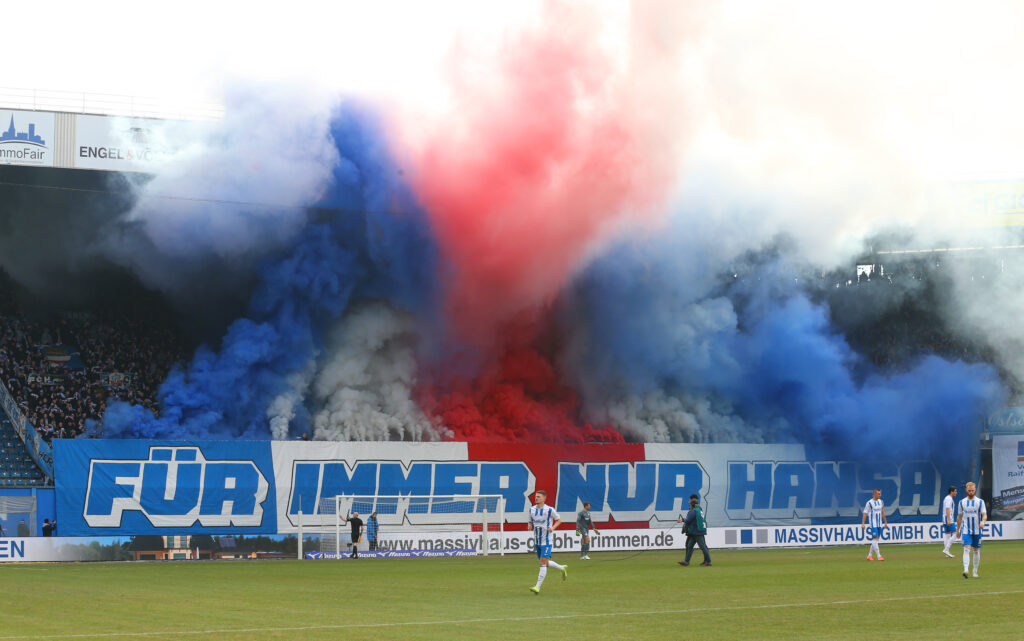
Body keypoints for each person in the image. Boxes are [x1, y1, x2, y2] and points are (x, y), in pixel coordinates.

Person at [528, 490, 567, 594]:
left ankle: (537, 587)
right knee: (545, 562)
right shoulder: (531, 510)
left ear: (544, 499)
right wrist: (530, 525)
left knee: (542, 563)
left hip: (547, 541)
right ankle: (562, 568)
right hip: (537, 541)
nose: (536, 498)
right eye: (536, 496)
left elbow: (559, 520)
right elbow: (530, 520)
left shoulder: (549, 510)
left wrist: (552, 528)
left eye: (539, 497)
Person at [956, 481, 987, 579]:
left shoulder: (980, 502)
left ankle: (975, 571)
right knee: (966, 549)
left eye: (972, 490)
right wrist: (957, 530)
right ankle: (966, 570)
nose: (971, 492)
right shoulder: (962, 502)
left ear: (975, 490)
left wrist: (983, 522)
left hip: (977, 530)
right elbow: (959, 517)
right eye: (969, 490)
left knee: (976, 551)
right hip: (966, 530)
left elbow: (984, 514)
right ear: (966, 490)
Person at [677, 494, 711, 566]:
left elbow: (688, 520)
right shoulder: (699, 509)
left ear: (692, 504)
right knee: (690, 546)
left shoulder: (693, 511)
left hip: (697, 531)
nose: (689, 505)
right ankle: (686, 562)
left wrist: (682, 520)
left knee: (703, 547)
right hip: (696, 531)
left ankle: (708, 561)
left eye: (690, 504)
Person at [861, 488, 888, 561]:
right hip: (873, 523)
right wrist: (863, 523)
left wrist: (885, 522)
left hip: (879, 523)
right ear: (874, 494)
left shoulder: (881, 502)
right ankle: (879, 556)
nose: (880, 495)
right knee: (875, 538)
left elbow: (882, 512)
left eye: (880, 493)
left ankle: (869, 555)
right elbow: (865, 513)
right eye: (878, 494)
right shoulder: (869, 503)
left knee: (875, 540)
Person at [941, 486, 957, 558]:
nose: (956, 493)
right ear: (951, 492)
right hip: (948, 518)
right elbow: (947, 509)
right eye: (955, 491)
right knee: (955, 534)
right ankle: (946, 549)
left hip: (945, 518)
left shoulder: (947, 498)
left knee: (947, 535)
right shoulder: (949, 499)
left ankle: (947, 553)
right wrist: (949, 519)